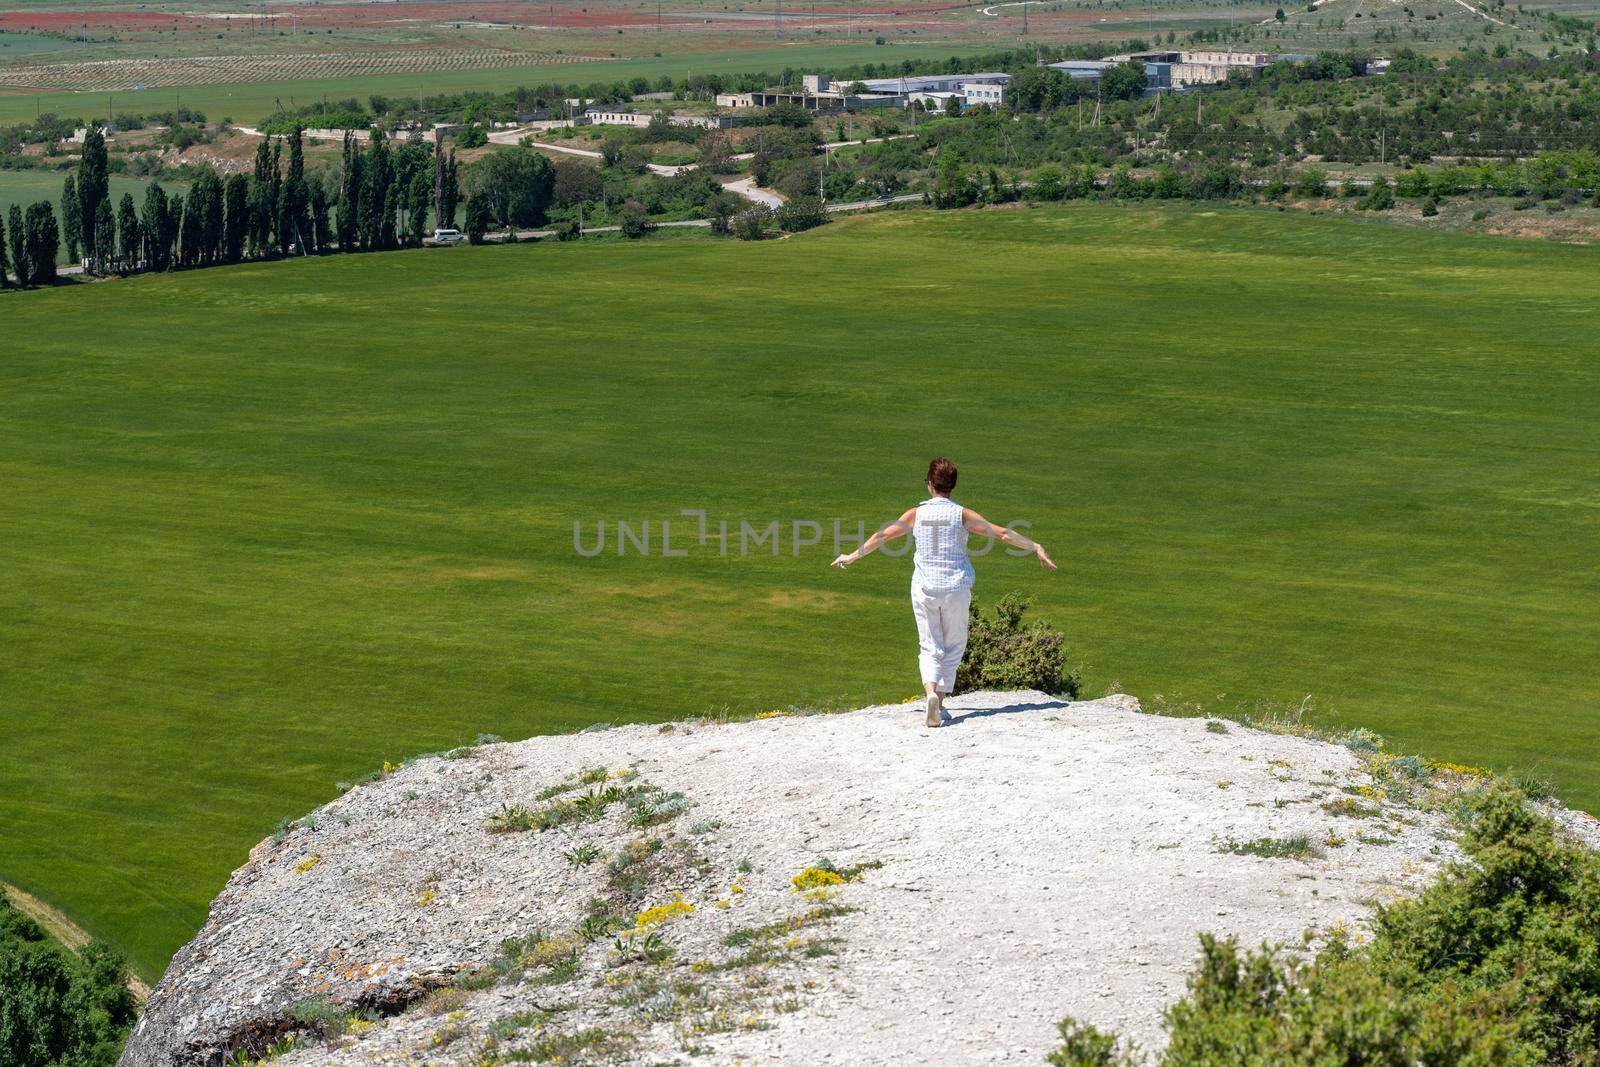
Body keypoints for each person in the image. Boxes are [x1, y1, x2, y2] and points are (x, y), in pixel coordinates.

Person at [831, 457, 1056, 728]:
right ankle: (939, 698)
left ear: (929, 484)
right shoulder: (961, 514)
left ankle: (929, 695)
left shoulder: (916, 513)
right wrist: (1035, 546)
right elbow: (1003, 534)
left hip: (925, 587)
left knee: (929, 646)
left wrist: (852, 556)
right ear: (952, 485)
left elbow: (884, 537)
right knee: (954, 645)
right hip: (956, 588)